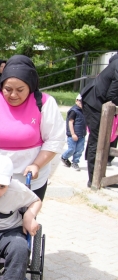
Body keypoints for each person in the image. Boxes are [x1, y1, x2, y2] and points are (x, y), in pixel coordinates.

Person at [0, 55, 66, 201]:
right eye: (8, 89)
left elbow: (55, 139)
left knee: (24, 220)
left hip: (28, 177)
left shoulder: (44, 103)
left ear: (30, 86)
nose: (13, 95)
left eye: (20, 89)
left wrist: (37, 165)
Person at [81, 54, 118, 184]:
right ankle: (93, 179)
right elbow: (112, 94)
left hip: (99, 100)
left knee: (101, 140)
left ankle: (98, 177)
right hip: (94, 101)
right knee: (96, 140)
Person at [60, 94, 86, 171]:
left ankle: (75, 162)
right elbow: (70, 123)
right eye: (80, 101)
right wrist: (73, 134)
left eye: (83, 101)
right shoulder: (73, 111)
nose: (81, 103)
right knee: (72, 149)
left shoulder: (84, 111)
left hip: (81, 134)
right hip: (73, 135)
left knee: (79, 150)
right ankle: (64, 157)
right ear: (76, 101)